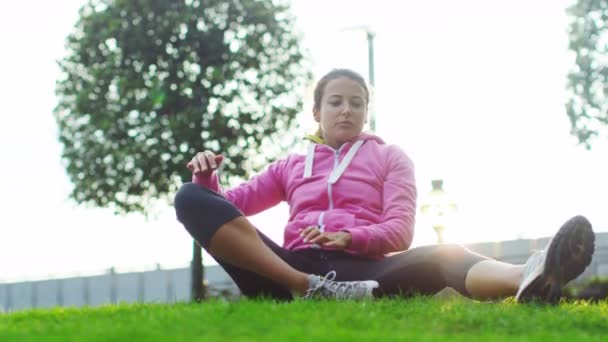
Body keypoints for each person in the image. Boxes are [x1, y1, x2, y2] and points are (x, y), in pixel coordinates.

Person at [174, 68, 595, 302]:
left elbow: (400, 230)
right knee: (189, 197)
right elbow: (226, 210)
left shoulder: (390, 157)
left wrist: (347, 237)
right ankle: (306, 289)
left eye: (356, 103)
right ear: (317, 110)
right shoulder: (289, 164)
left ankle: (531, 274)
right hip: (288, 271)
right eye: (335, 102)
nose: (346, 111)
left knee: (446, 254)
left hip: (364, 275)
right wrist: (206, 177)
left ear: (366, 111)